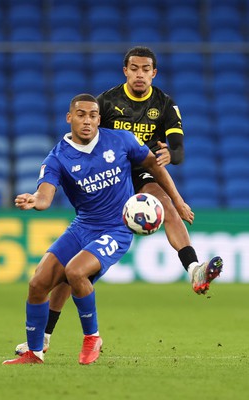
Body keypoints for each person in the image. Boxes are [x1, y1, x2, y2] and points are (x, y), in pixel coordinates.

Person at [15, 47, 223, 356]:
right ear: (125, 71)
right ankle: (42, 339)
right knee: (58, 278)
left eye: (146, 69)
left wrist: (172, 161)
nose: (140, 73)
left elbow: (177, 150)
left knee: (163, 201)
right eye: (134, 68)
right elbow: (81, 135)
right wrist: (38, 196)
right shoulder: (105, 103)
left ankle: (192, 267)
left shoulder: (164, 104)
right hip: (111, 172)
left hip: (141, 166)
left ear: (154, 73)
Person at [3, 93, 197, 365]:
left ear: (99, 118)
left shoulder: (121, 140)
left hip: (116, 228)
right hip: (83, 226)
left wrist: (177, 201)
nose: (88, 120)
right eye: (81, 114)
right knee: (38, 283)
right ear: (69, 117)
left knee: (75, 271)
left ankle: (92, 337)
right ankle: (34, 352)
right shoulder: (58, 157)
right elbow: (45, 196)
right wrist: (35, 200)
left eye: (93, 115)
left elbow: (154, 165)